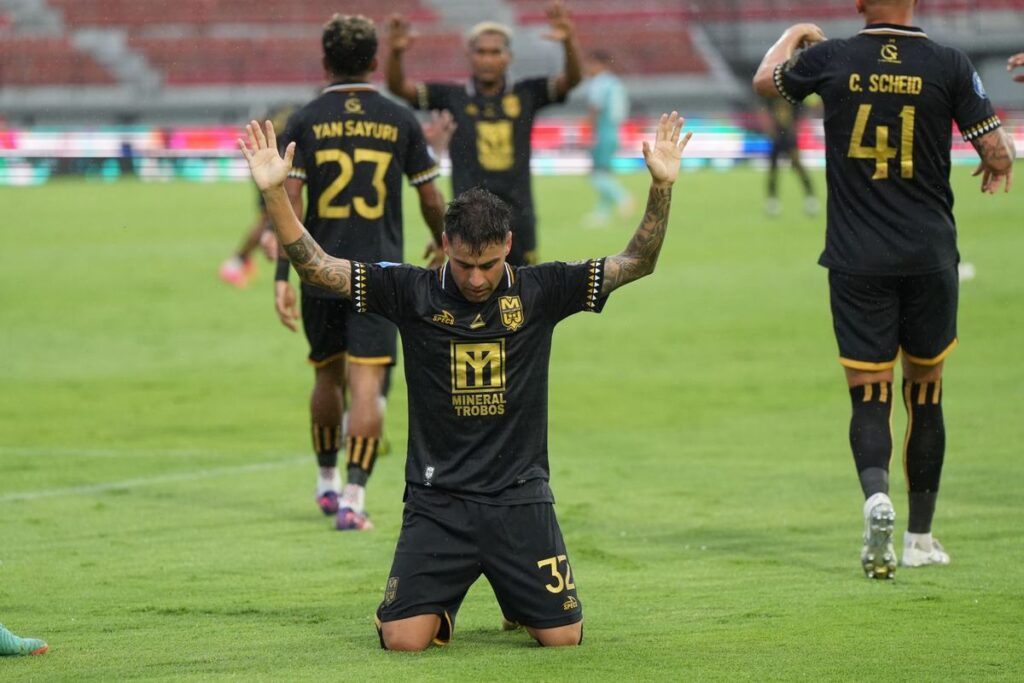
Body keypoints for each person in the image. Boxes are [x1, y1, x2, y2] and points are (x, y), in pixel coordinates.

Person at [239, 111, 691, 648]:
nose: (477, 279)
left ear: (508, 244)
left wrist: (661, 186)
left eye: (490, 265)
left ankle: (514, 596)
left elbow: (637, 261)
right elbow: (318, 268)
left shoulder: (540, 290)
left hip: (519, 496)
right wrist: (276, 197)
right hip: (438, 500)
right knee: (403, 641)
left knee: (564, 638)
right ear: (446, 243)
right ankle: (440, 606)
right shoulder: (410, 291)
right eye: (466, 265)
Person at [753, 0, 1015, 579]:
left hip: (856, 258)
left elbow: (764, 82)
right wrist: (996, 163)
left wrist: (794, 32)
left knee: (869, 396)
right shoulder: (948, 62)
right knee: (925, 394)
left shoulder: (832, 57)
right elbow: (998, 152)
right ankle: (921, 538)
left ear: (859, 4)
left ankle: (876, 501)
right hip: (928, 255)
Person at [274, 14, 446, 530]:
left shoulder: (305, 120)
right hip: (380, 272)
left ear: (324, 61)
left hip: (320, 270)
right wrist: (444, 241)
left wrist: (284, 273)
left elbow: (291, 204)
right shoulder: (399, 120)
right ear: (375, 62)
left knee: (326, 374)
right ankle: (353, 498)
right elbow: (431, 195)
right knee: (367, 383)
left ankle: (325, 483)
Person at [385, 0, 583, 266]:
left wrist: (568, 43)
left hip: (518, 216)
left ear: (508, 57)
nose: (487, 59)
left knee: (523, 293)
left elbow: (570, 81)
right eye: (481, 52)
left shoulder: (526, 94)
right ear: (470, 55)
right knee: (471, 291)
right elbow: (400, 88)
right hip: (468, 215)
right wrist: (396, 54)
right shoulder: (453, 97)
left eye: (495, 52)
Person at [219, 105, 293, 288]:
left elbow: (261, 122)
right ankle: (235, 263)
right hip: (271, 165)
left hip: (269, 163)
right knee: (268, 218)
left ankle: (241, 261)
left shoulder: (289, 109)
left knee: (268, 217)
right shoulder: (303, 112)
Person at [582, 50, 633, 227]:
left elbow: (596, 107)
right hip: (614, 132)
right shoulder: (615, 82)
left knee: (596, 174)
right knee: (605, 173)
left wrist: (589, 130)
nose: (587, 68)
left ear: (599, 64)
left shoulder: (599, 83)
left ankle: (623, 197)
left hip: (602, 133)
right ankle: (602, 214)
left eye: (590, 64)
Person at [762, 97, 818, 217]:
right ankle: (772, 202)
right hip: (776, 137)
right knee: (773, 170)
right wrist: (769, 129)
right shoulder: (770, 97)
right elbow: (765, 112)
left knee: (798, 167)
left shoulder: (792, 95)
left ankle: (810, 198)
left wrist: (796, 127)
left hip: (789, 137)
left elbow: (803, 110)